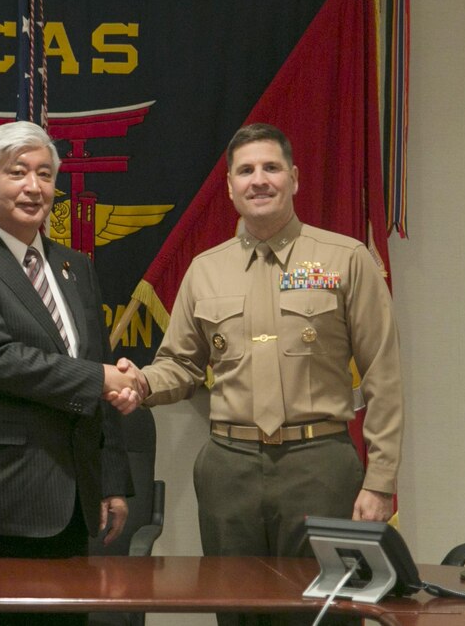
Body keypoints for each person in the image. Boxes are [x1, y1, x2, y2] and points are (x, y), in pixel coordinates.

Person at [133, 123, 403, 626]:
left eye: (271, 168)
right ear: (231, 186)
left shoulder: (345, 260)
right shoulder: (204, 270)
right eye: (246, 170)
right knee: (236, 614)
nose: (259, 180)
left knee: (328, 613)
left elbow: (383, 375)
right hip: (228, 470)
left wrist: (381, 479)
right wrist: (143, 383)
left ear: (295, 178)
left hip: (319, 465)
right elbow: (183, 365)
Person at [0, 120, 143, 626]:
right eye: (17, 172)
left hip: (70, 502)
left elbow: (93, 360)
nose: (33, 187)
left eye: (45, 174)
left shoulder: (74, 266)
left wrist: (110, 479)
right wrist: (100, 378)